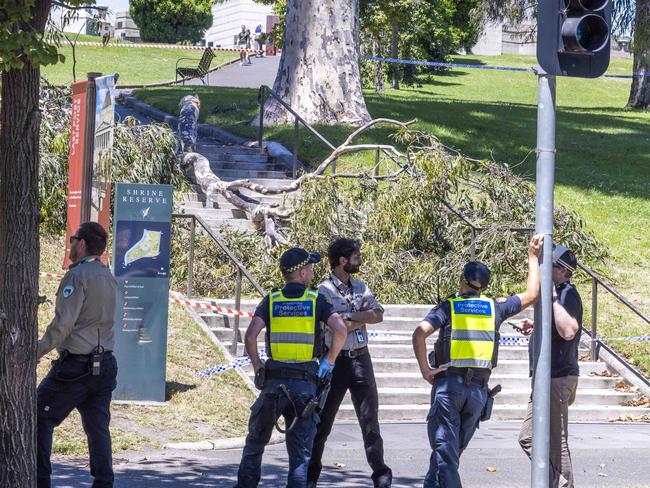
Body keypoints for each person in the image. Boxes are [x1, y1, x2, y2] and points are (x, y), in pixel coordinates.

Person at [412, 234, 543, 488]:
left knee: (445, 454)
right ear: (484, 285)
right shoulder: (496, 307)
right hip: (477, 393)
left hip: (449, 387)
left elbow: (419, 333)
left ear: (462, 281)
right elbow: (532, 294)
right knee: (449, 453)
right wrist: (532, 257)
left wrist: (426, 370)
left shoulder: (449, 306)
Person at [235, 247, 348, 488]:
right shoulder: (316, 300)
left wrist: (258, 367)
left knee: (255, 445)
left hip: (273, 384)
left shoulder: (272, 299)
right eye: (310, 269)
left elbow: (250, 337)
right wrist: (329, 361)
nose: (312, 273)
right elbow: (340, 329)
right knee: (299, 457)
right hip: (305, 385)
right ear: (303, 272)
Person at [36, 222, 117, 488]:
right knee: (97, 428)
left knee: (38, 415)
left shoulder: (77, 276)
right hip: (104, 364)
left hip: (76, 366)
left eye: (72, 240)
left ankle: (39, 480)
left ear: (81, 244)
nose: (70, 245)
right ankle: (104, 482)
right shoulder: (107, 275)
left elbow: (63, 325)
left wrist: (34, 351)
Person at [308, 238, 392, 488]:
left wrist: (350, 317)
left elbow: (377, 314)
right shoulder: (323, 291)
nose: (360, 260)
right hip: (335, 362)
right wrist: (357, 319)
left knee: (370, 422)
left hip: (361, 359)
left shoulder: (361, 286)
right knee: (322, 423)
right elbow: (338, 327)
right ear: (342, 261)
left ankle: (381, 476)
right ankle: (310, 476)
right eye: (356, 257)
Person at [517, 244, 582, 488]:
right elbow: (557, 328)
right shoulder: (556, 293)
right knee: (527, 437)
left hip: (557, 377)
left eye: (549, 266)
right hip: (546, 377)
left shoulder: (567, 294)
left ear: (564, 271)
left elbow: (568, 330)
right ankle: (560, 483)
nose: (544, 270)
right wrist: (535, 327)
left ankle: (564, 485)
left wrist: (553, 296)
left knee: (557, 442)